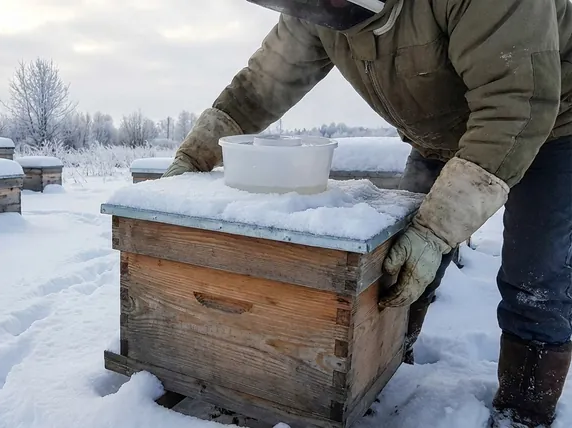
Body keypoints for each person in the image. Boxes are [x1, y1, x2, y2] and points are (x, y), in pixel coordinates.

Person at [160, 0, 572, 426]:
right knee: (397, 259)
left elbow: (516, 103)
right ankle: (386, 366)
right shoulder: (317, 11)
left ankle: (524, 412)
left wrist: (435, 232)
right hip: (443, 134)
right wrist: (196, 154)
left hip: (552, 121)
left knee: (536, 277)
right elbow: (259, 86)